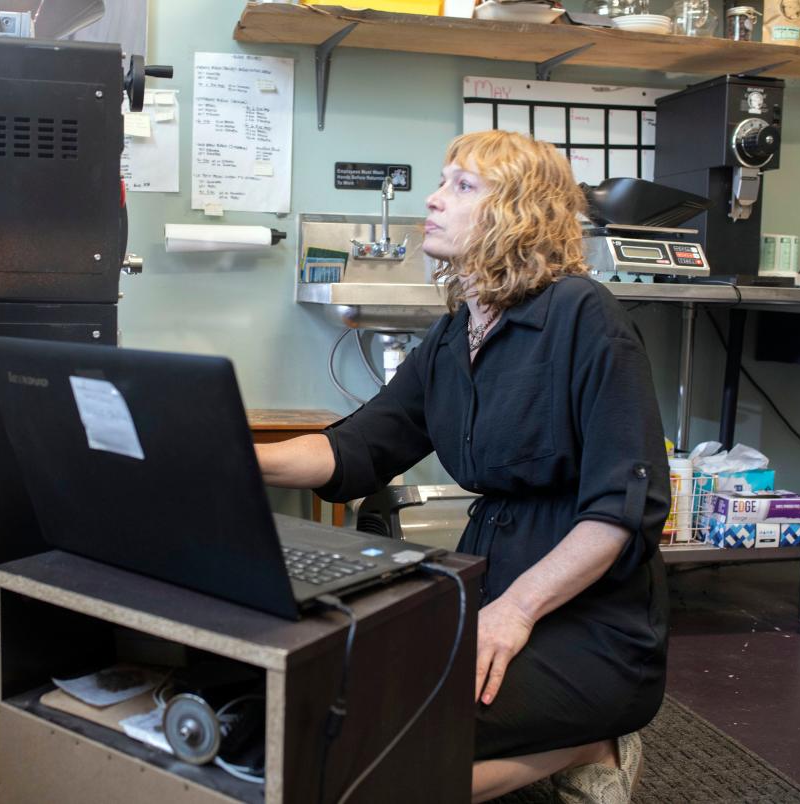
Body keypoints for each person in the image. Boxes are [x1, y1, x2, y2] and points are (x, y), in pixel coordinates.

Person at [256, 130, 671, 803]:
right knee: (340, 722)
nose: (433, 198)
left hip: (587, 623)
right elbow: (358, 447)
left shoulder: (583, 317)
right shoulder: (454, 333)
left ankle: (593, 741)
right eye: (443, 181)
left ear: (519, 212)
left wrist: (514, 611)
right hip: (485, 591)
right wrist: (237, 460)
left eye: (462, 186)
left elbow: (622, 511)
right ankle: (573, 744)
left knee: (388, 745)